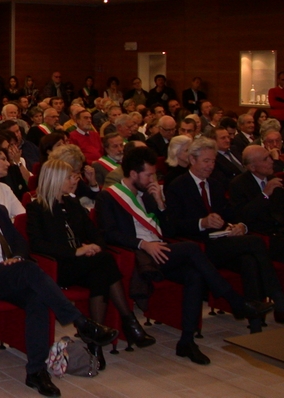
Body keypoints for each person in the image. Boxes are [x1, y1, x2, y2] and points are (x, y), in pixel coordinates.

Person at [0, 158, 117, 397]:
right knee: (30, 272)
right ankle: (80, 323)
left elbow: (20, 242)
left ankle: (36, 371)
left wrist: (18, 257)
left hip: (8, 273)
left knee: (37, 297)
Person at [97, 146, 273, 365]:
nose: (153, 178)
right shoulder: (109, 197)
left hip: (161, 251)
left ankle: (187, 342)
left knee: (194, 275)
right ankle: (236, 301)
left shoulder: (148, 194)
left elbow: (169, 231)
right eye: (148, 174)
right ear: (133, 174)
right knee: (191, 248)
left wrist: (160, 205)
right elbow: (108, 234)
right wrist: (143, 244)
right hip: (138, 257)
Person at [27, 159, 154, 369]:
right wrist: (76, 251)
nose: (74, 180)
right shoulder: (37, 208)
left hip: (86, 264)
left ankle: (95, 343)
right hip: (59, 266)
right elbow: (38, 245)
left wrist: (95, 245)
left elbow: (96, 233)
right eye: (69, 177)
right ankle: (128, 322)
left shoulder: (72, 203)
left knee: (101, 271)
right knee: (104, 262)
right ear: (55, 179)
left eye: (74, 176)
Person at [164, 137, 284, 328]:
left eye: (213, 161)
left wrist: (239, 226)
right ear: (193, 160)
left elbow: (231, 213)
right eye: (206, 161)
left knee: (249, 261)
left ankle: (255, 321)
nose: (211, 166)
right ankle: (277, 296)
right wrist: (201, 223)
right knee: (255, 243)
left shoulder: (215, 184)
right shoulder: (178, 185)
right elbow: (172, 225)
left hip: (220, 241)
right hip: (198, 245)